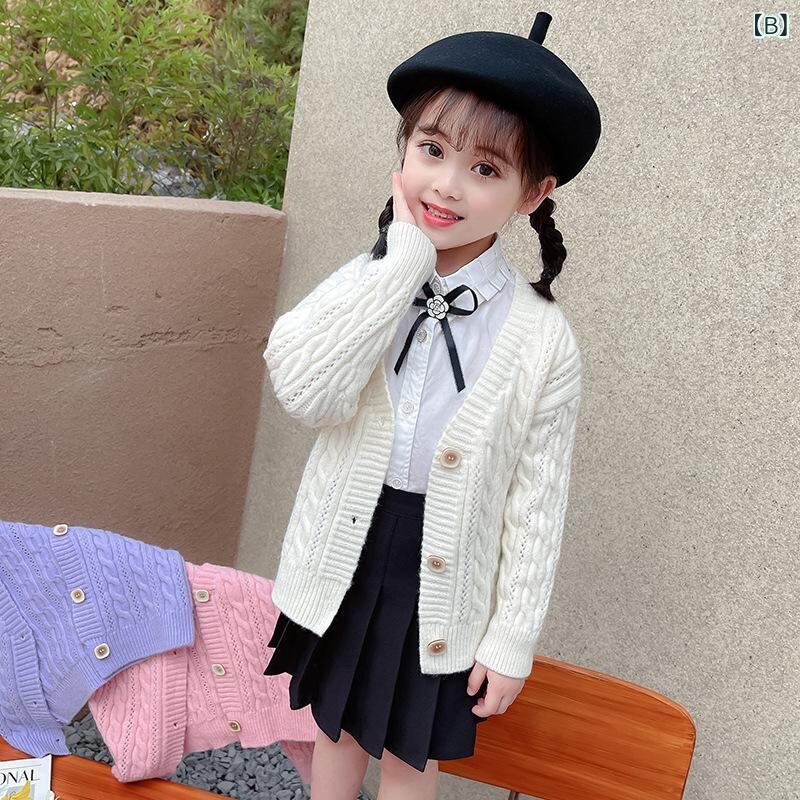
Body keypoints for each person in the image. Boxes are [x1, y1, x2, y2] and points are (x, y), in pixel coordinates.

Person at [262, 10, 601, 799]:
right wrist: (400, 264)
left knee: (411, 754)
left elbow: (537, 505)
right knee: (336, 726)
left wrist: (511, 639)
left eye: (485, 169)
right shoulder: (369, 280)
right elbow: (305, 393)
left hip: (443, 572)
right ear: (404, 151)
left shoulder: (543, 339)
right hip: (347, 544)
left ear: (533, 193)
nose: (447, 184)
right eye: (432, 150)